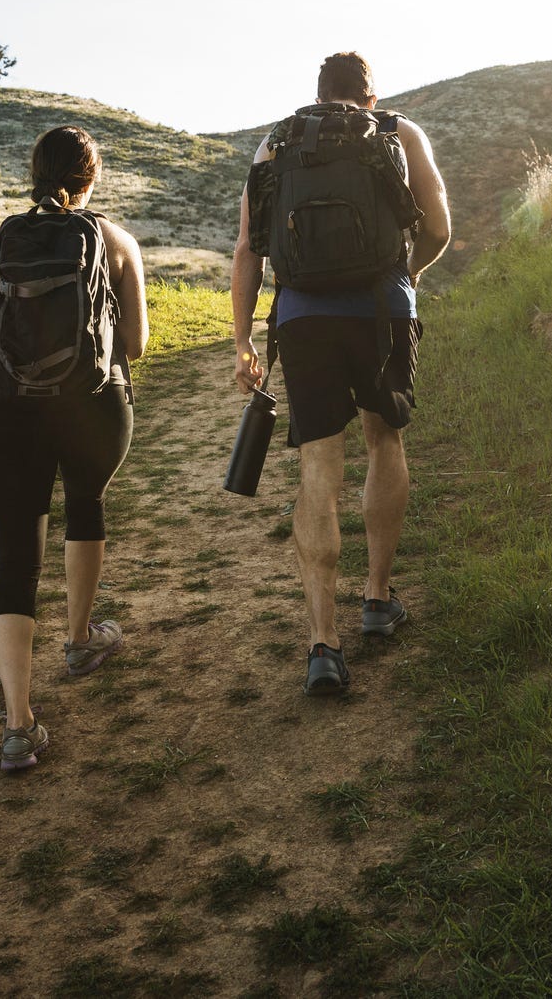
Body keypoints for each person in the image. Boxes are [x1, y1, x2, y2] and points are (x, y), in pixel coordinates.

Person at [231, 52, 451, 694]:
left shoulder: (277, 141)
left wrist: (243, 338)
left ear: (319, 95)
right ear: (370, 97)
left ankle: (322, 644)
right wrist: (407, 276)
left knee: (318, 464)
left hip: (302, 318)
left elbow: (248, 247)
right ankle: (377, 600)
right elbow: (437, 228)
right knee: (385, 438)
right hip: (381, 311)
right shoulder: (399, 133)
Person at [0, 126, 148, 769]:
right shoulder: (115, 240)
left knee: (16, 554)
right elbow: (137, 342)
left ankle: (18, 726)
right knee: (86, 503)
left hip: (7, 414)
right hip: (92, 407)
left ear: (35, 174)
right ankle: (78, 641)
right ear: (91, 178)